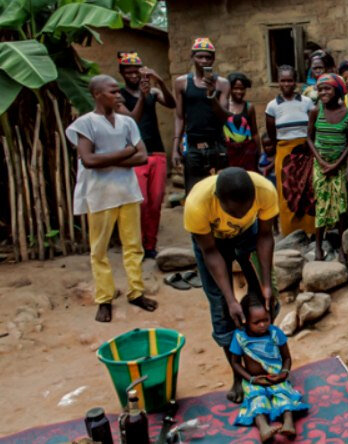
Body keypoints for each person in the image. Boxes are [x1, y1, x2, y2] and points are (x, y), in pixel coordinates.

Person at [66, 75, 159, 322]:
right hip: (100, 195)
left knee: (133, 245)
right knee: (99, 250)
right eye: (112, 92)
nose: (118, 96)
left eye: (118, 91)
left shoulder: (127, 123)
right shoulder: (85, 124)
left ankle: (136, 292)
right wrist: (126, 152)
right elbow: (89, 160)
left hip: (127, 191)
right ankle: (104, 299)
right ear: (97, 94)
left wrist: (108, 159)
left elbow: (142, 156)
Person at [184, 167, 279, 404]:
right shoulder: (197, 204)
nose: (240, 215)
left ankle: (262, 362)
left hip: (249, 235)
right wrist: (230, 299)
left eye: (246, 209)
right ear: (219, 200)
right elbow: (210, 251)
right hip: (212, 243)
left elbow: (265, 236)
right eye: (234, 212)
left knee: (266, 301)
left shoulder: (265, 190)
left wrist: (266, 283)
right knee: (222, 309)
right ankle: (239, 375)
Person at [116, 52, 176, 260]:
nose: (133, 75)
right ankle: (138, 244)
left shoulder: (154, 92)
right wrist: (142, 96)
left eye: (137, 71)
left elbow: (172, 103)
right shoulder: (119, 97)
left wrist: (160, 81)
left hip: (157, 152)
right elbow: (132, 120)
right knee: (140, 203)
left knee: (156, 202)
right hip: (135, 155)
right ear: (122, 73)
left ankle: (151, 245)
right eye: (129, 72)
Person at [230, 294, 309, 441]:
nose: (262, 324)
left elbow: (286, 357)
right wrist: (252, 379)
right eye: (256, 322)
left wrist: (284, 373)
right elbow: (235, 363)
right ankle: (264, 428)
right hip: (254, 380)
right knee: (257, 400)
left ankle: (288, 423)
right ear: (245, 320)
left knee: (283, 396)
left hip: (276, 377)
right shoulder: (240, 337)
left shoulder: (275, 333)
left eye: (266, 320)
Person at [306, 74, 348, 261]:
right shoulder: (315, 111)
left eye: (328, 88)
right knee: (321, 204)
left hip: (339, 166)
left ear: (338, 91)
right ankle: (318, 247)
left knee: (341, 206)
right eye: (320, 89)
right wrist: (321, 161)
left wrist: (341, 163)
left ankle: (342, 249)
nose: (323, 92)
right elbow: (309, 138)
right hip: (320, 165)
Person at [172, 37, 231, 193]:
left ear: (213, 59)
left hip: (216, 145)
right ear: (192, 57)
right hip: (193, 146)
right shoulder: (182, 83)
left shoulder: (222, 84)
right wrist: (175, 147)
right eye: (200, 56)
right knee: (194, 192)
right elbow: (179, 116)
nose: (204, 61)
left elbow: (224, 117)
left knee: (219, 192)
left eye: (208, 57)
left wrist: (211, 95)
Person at [265, 65, 316, 236]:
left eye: (290, 80)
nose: (287, 84)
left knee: (308, 190)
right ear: (278, 82)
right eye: (283, 80)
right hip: (284, 152)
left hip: (306, 151)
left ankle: (310, 231)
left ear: (295, 82)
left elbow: (313, 128)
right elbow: (272, 134)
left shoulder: (307, 102)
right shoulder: (272, 106)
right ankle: (290, 233)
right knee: (288, 193)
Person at [224, 72, 261, 172]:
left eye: (242, 88)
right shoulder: (224, 106)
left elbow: (255, 132)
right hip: (230, 152)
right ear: (229, 88)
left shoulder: (249, 107)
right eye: (235, 88)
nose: (239, 91)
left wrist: (259, 153)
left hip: (247, 151)